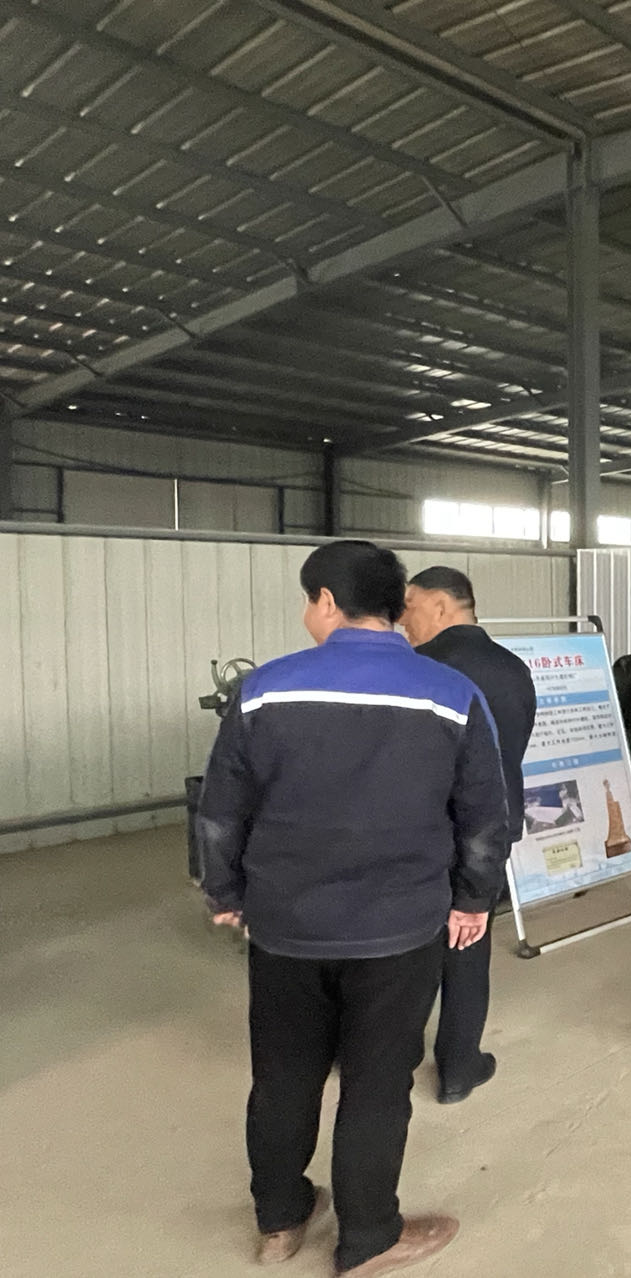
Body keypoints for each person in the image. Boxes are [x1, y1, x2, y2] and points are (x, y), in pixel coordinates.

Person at [197, 540, 510, 1275]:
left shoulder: (265, 691)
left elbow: (220, 810)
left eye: (308, 600)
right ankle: (368, 1236)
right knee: (377, 1080)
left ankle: (280, 1219)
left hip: (286, 926)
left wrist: (225, 891)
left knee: (283, 1074)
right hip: (399, 929)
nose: (307, 614)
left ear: (329, 602)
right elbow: (484, 813)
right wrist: (474, 898)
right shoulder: (451, 694)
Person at [400, 565, 538, 1105]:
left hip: (424, 833)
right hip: (490, 831)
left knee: (408, 950)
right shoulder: (514, 668)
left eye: (410, 606)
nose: (403, 620)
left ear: (440, 606)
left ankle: (394, 1056)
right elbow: (515, 748)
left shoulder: (417, 670)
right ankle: (459, 1067)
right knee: (468, 944)